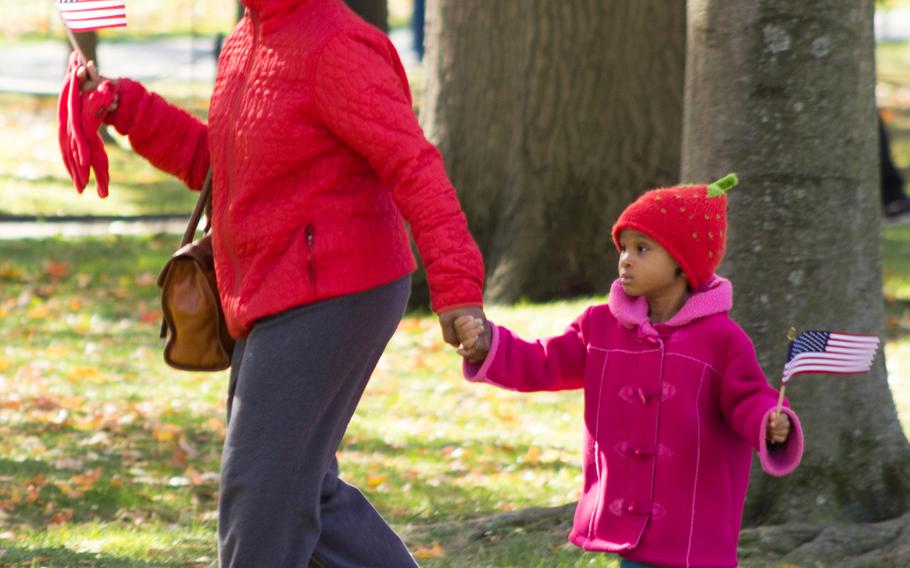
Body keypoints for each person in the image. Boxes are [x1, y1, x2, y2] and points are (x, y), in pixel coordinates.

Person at [74, 0, 485, 565]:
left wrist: (458, 289)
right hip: (274, 291)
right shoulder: (246, 38)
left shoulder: (338, 46)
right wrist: (127, 107)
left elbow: (414, 167)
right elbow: (221, 171)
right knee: (300, 487)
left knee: (261, 493)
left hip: (338, 292)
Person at [453, 175, 803, 568]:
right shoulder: (600, 326)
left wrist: (769, 422)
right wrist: (490, 345)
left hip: (692, 532)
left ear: (681, 263)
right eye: (623, 247)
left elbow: (747, 397)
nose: (625, 259)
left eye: (642, 248)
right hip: (630, 530)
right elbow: (544, 362)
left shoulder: (722, 340)